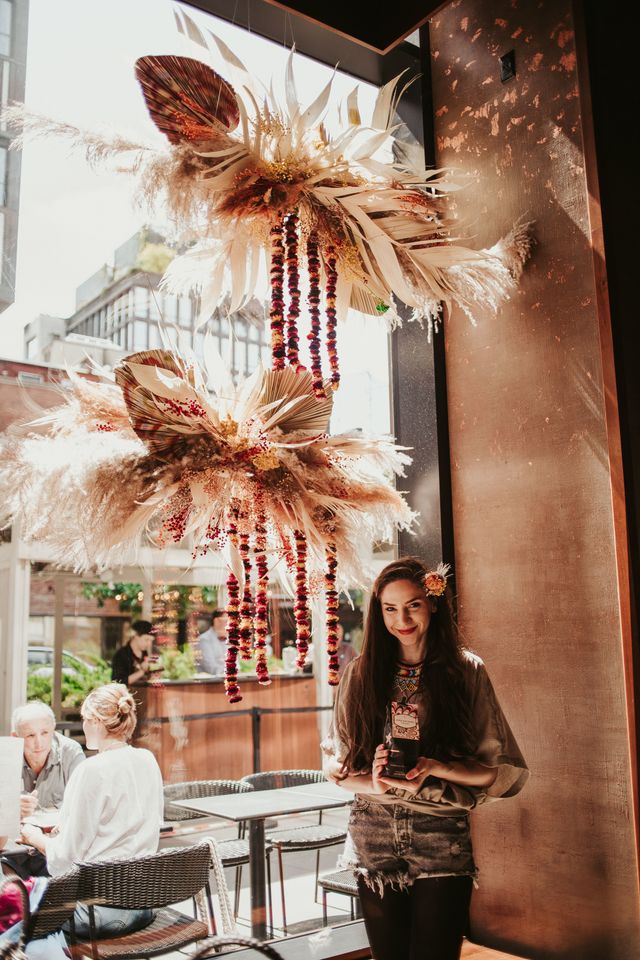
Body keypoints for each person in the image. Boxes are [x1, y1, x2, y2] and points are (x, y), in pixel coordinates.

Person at [322, 557, 528, 960]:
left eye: (413, 605)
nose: (402, 619)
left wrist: (433, 768)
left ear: (433, 603)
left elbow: (493, 771)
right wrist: (373, 782)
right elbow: (335, 765)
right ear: (378, 612)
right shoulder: (361, 673)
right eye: (390, 608)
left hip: (440, 829)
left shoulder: (466, 672)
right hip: (373, 829)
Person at [19, 682, 164, 954]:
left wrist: (36, 838)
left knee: (14, 915)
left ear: (97, 721)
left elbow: (64, 861)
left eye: (85, 719)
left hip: (97, 912)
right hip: (144, 904)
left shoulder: (91, 770)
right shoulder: (147, 759)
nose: (83, 726)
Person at [1, 702, 85, 879]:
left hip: (54, 853)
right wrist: (10, 809)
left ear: (54, 730)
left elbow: (83, 810)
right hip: (11, 855)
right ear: (15, 737)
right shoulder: (4, 757)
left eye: (45, 733)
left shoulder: (70, 753)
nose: (39, 742)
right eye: (30, 735)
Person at [111, 620, 162, 685]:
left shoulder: (146, 653)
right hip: (127, 694)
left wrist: (155, 672)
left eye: (151, 641)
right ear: (136, 636)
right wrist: (142, 671)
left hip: (146, 693)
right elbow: (118, 682)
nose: (149, 644)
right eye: (146, 639)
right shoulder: (121, 655)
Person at [192, 610, 227, 675]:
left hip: (225, 679)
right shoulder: (204, 640)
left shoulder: (227, 638)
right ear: (216, 621)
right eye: (226, 620)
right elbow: (211, 668)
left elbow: (236, 664)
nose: (228, 624)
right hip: (208, 683)